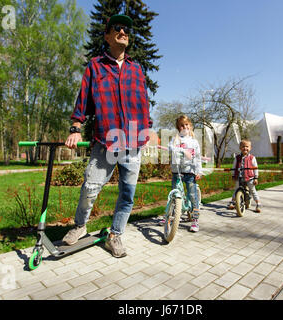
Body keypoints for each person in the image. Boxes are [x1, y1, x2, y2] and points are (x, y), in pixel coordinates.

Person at [62, 14, 150, 258]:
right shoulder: (96, 65)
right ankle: (80, 226)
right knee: (90, 187)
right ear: (108, 35)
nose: (123, 32)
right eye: (118, 28)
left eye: (127, 30)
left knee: (127, 194)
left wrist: (148, 127)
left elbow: (143, 101)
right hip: (106, 140)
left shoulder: (136, 68)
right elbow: (84, 100)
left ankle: (115, 234)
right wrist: (76, 127)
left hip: (133, 141)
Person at [159, 115, 203, 232]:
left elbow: (197, 157)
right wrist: (183, 151)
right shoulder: (176, 139)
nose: (185, 127)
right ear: (179, 128)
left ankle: (195, 220)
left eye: (187, 124)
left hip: (190, 172)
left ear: (190, 126)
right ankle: (169, 215)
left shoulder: (194, 142)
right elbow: (170, 148)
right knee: (174, 195)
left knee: (193, 196)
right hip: (177, 171)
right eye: (182, 125)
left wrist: (199, 171)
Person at [227, 139, 262, 213]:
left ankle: (258, 203)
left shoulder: (252, 158)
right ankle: (233, 202)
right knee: (236, 189)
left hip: (249, 177)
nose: (245, 148)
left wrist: (256, 177)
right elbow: (234, 167)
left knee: (252, 190)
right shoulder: (237, 157)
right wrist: (233, 175)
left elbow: (255, 168)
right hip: (238, 177)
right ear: (240, 148)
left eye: (247, 146)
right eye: (243, 146)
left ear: (250, 148)